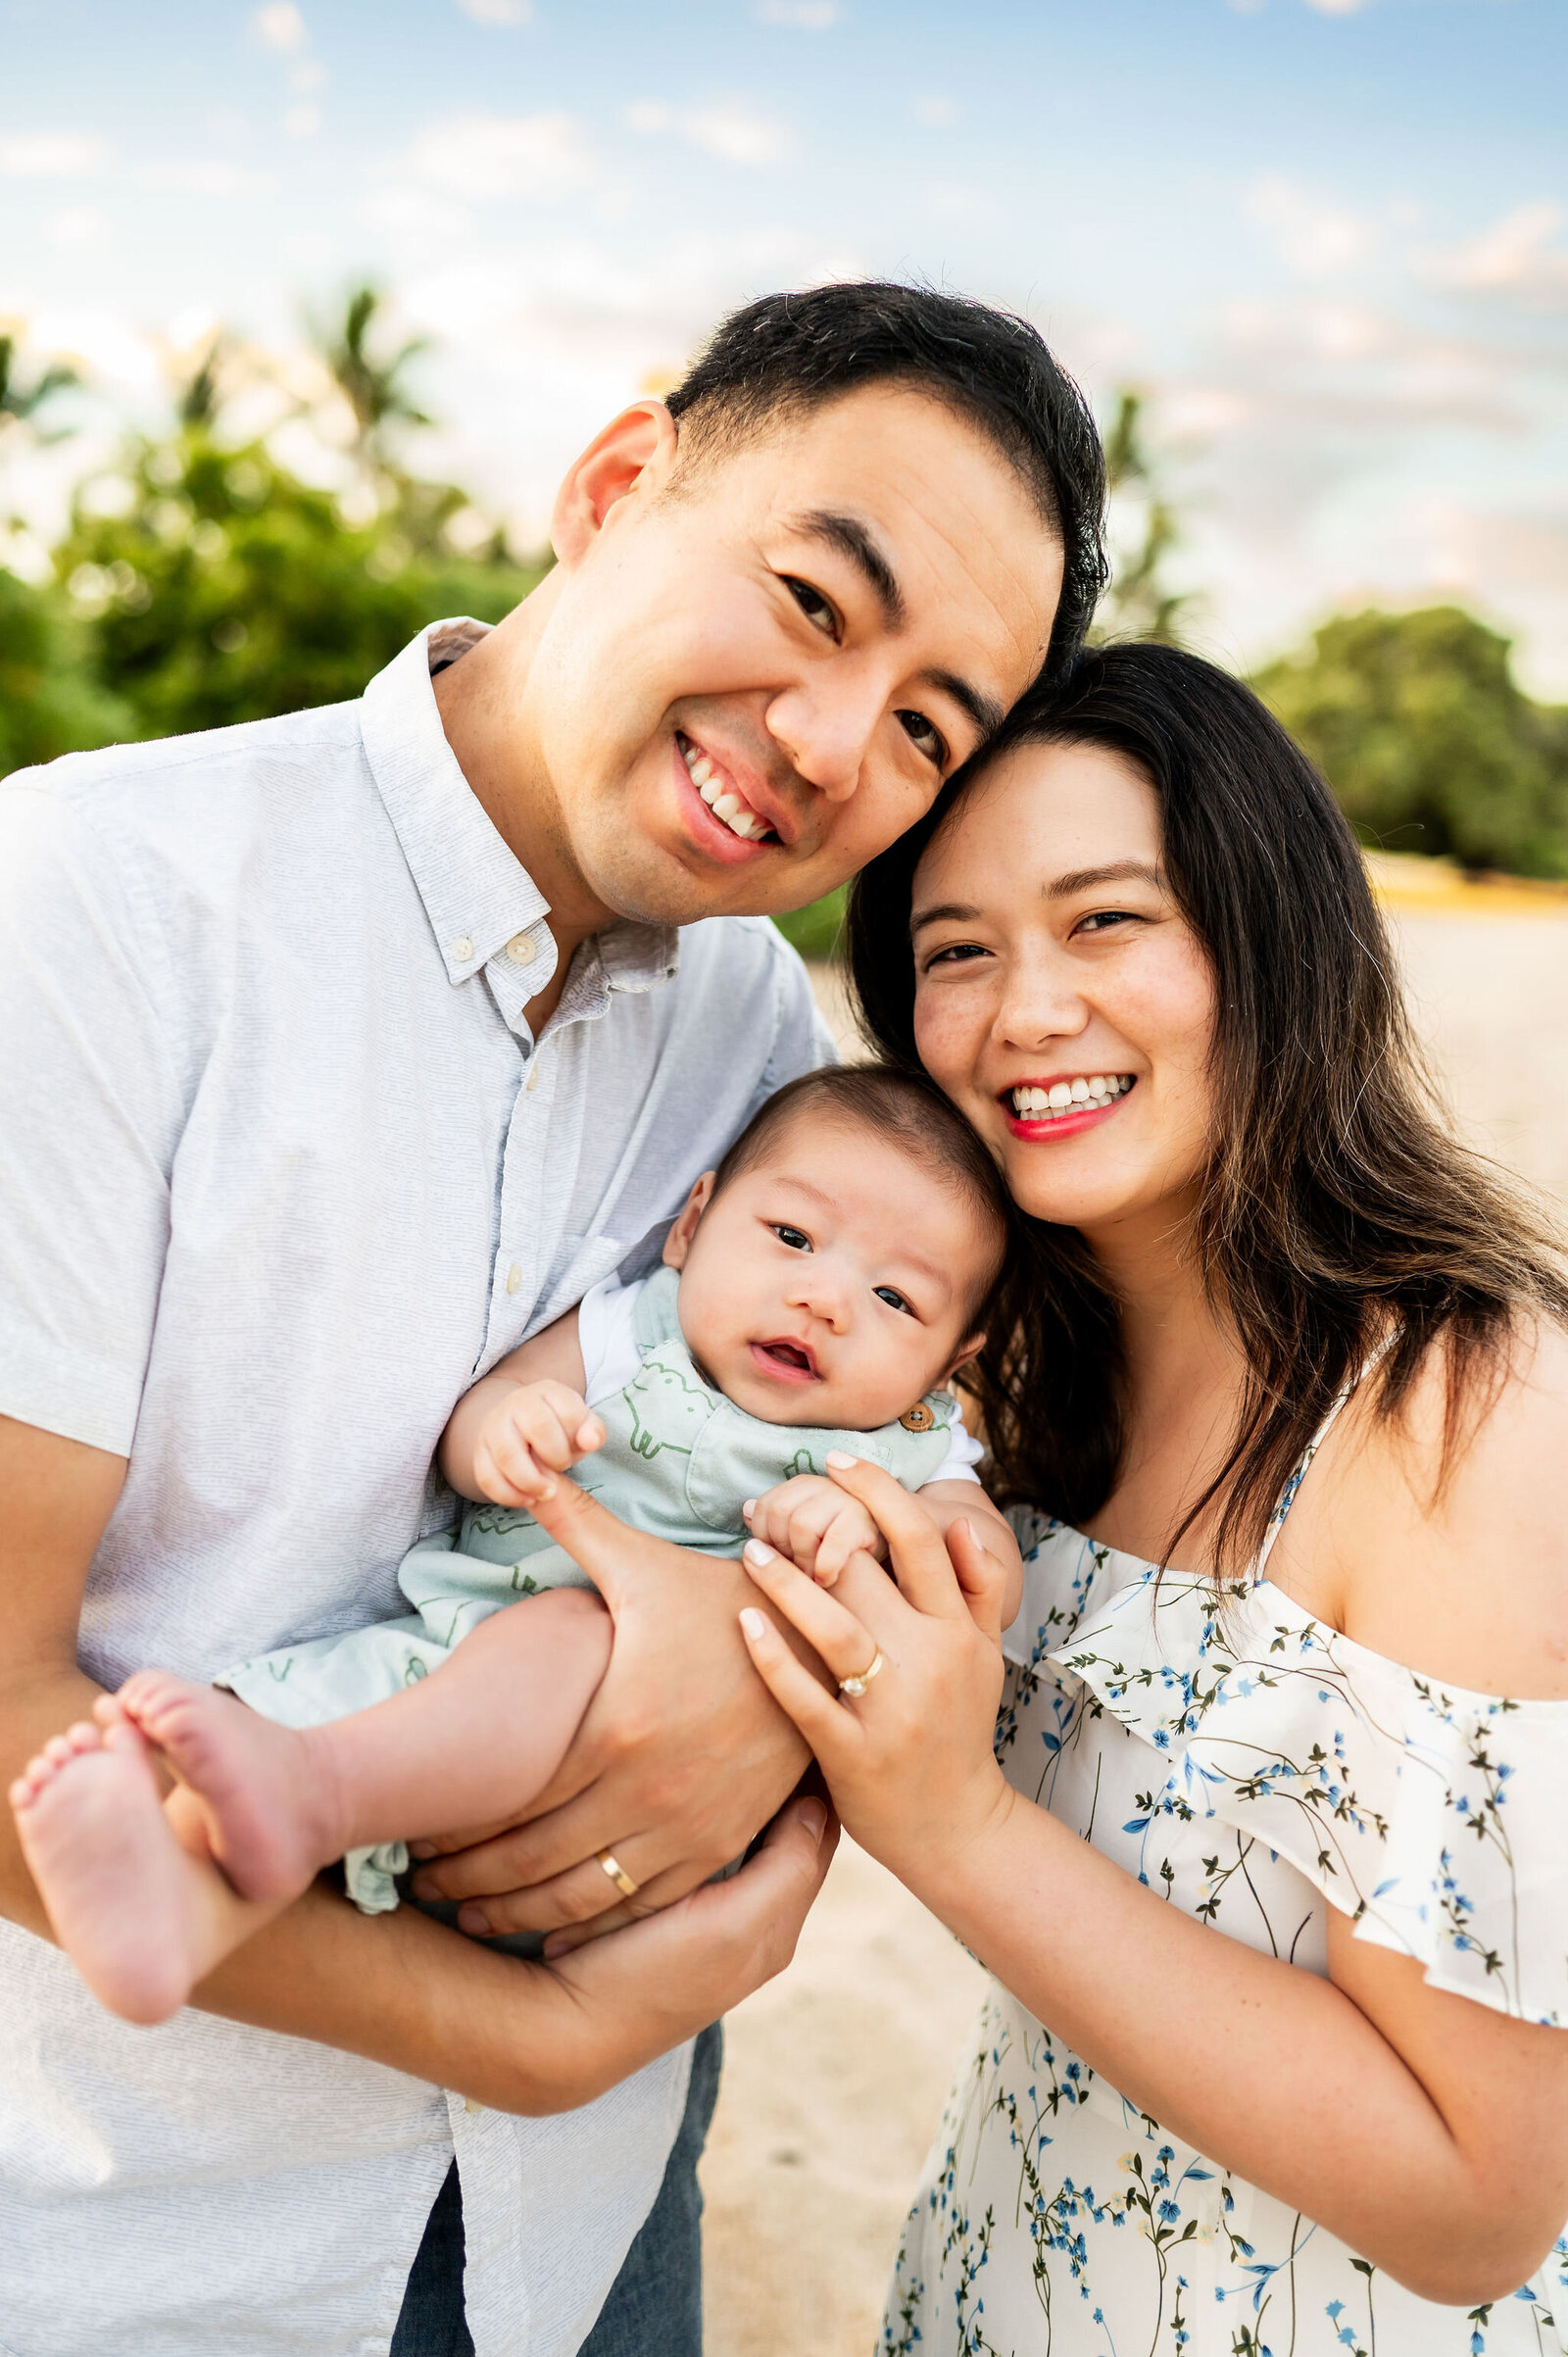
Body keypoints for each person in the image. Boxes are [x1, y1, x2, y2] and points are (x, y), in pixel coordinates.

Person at [0, 279, 1102, 2355]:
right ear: (613, 485)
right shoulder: (94, 902)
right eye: (808, 600)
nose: (827, 743)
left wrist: (745, 1679)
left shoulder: (760, 1034)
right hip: (148, 2245)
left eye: (929, 726)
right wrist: (517, 2021)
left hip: (593, 2221)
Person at [735, 644, 1568, 2352]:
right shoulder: (1024, 1383)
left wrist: (955, 1825)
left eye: (1106, 920)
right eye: (955, 952)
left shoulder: (1455, 1408)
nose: (1025, 1010)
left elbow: (1481, 2199)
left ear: (1271, 939)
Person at [15, 1065, 1025, 2025]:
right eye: (792, 1234)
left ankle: (314, 1795)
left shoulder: (908, 1442)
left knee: (575, 1631)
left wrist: (872, 1530)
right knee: (243, 1730)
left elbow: (981, 1558)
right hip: (446, 1661)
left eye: (897, 1299)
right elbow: (483, 1413)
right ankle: (179, 1917)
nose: (826, 1298)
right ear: (691, 1222)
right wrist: (503, 1426)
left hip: (623, 1770)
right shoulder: (633, 1331)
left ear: (954, 1358)